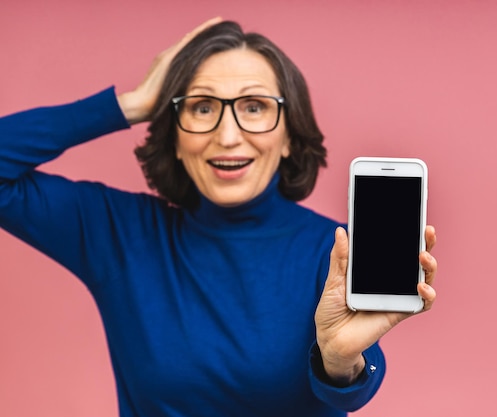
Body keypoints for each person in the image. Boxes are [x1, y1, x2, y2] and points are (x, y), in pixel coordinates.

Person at [0, 18, 438, 417]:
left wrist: (340, 361)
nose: (227, 136)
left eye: (254, 107)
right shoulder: (119, 234)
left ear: (289, 134)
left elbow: (353, 384)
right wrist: (132, 103)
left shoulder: (334, 250)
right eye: (202, 107)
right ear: (173, 134)